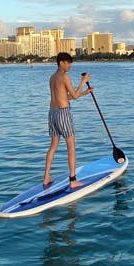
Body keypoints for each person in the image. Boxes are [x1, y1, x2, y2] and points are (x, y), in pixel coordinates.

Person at [43, 52, 93, 190]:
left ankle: (46, 177)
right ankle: (73, 180)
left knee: (53, 146)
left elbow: (64, 97)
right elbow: (74, 96)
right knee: (71, 146)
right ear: (61, 63)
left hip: (52, 113)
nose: (70, 65)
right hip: (63, 114)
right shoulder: (64, 77)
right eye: (68, 63)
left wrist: (85, 93)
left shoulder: (52, 78)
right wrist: (83, 81)